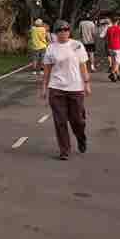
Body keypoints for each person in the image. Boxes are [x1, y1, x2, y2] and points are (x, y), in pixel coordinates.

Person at [41, 20, 90, 160]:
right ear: (55, 33)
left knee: (77, 120)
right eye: (60, 30)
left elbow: (83, 66)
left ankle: (81, 138)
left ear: (69, 31)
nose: (63, 32)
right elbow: (47, 70)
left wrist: (86, 83)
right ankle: (64, 150)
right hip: (56, 88)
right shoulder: (51, 48)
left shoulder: (77, 45)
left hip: (75, 88)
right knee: (60, 120)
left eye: (66, 29)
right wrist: (44, 87)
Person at [105, 17, 120, 82]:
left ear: (111, 21)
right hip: (117, 48)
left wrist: (108, 47)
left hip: (110, 48)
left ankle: (118, 76)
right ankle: (112, 73)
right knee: (118, 62)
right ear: (117, 21)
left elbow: (106, 39)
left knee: (114, 62)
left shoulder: (108, 29)